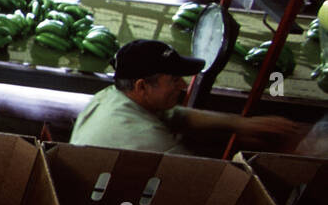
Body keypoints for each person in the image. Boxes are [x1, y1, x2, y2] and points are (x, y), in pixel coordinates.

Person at [70, 39, 305, 154]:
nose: (183, 85)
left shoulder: (110, 95)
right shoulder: (152, 143)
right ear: (142, 86)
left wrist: (241, 125)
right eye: (174, 80)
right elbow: (206, 182)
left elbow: (176, 115)